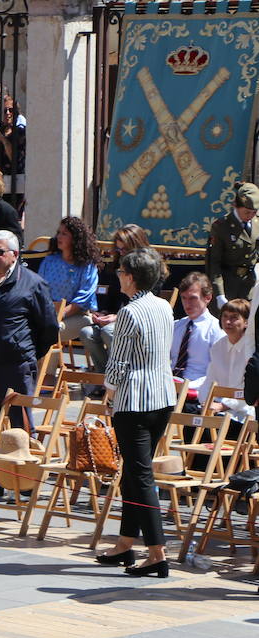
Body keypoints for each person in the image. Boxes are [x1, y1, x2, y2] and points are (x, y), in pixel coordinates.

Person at [99, 247, 176, 578]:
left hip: (135, 401)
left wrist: (108, 393)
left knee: (140, 474)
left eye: (120, 272)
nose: (118, 277)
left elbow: (118, 361)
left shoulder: (130, 311)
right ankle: (125, 542)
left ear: (131, 276)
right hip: (163, 396)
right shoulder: (163, 306)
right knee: (133, 471)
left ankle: (157, 551)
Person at [0, 230, 57, 439]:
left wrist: (24, 351)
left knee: (21, 430)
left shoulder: (33, 283)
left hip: (15, 366)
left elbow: (49, 329)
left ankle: (26, 472)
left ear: (14, 254)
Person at [82, 224, 156, 377]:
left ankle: (121, 375)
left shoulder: (150, 270)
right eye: (118, 249)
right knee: (86, 332)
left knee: (109, 331)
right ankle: (105, 376)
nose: (121, 253)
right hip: (117, 317)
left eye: (125, 250)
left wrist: (117, 317)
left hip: (137, 321)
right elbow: (112, 297)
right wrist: (102, 313)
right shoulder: (118, 265)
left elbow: (144, 305)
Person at [38, 216, 101, 345]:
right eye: (58, 233)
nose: (59, 237)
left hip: (78, 316)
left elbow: (83, 299)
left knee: (49, 332)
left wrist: (59, 315)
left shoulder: (87, 267)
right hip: (49, 314)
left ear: (75, 239)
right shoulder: (49, 261)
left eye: (64, 234)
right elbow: (38, 289)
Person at [170, 273, 225, 403]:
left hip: (196, 392)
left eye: (193, 298)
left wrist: (187, 386)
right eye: (183, 298)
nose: (187, 304)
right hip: (170, 387)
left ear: (208, 298)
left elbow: (217, 372)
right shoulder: (176, 326)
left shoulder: (216, 330)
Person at [207, 182, 259, 306]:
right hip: (228, 286)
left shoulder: (256, 223)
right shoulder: (221, 227)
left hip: (249, 288)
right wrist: (219, 294)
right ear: (235, 205)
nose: (250, 216)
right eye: (247, 212)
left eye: (254, 212)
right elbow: (214, 263)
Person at [208, 299, 254, 427]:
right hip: (218, 408)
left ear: (246, 322)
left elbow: (249, 389)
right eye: (225, 316)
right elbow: (210, 380)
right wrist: (206, 403)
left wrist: (224, 405)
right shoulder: (218, 347)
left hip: (244, 412)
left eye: (234, 318)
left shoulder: (251, 350)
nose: (228, 322)